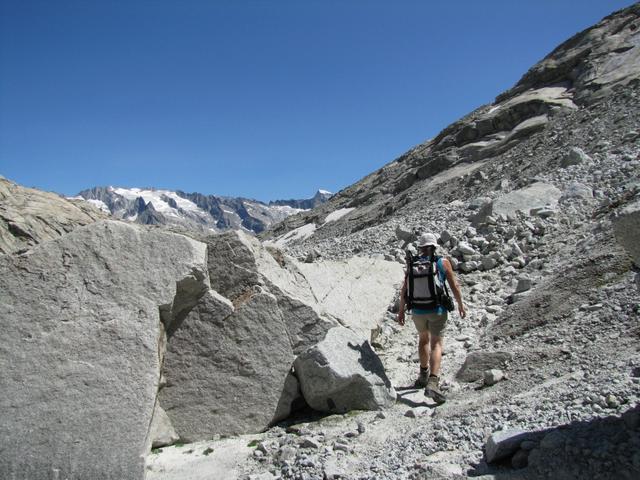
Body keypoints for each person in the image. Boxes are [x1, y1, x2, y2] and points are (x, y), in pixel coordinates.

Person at [396, 232, 466, 403]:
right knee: (436, 343)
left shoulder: (412, 263)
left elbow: (405, 288)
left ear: (420, 247)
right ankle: (433, 383)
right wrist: (460, 304)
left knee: (423, 340)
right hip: (437, 309)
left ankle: (422, 375)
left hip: (417, 310)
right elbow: (454, 285)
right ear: (434, 246)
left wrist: (401, 310)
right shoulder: (442, 263)